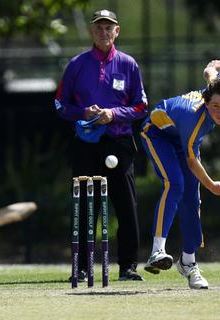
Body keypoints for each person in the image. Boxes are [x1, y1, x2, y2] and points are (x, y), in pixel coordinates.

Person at [55, 9, 148, 281]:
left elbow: (141, 106)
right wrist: (84, 112)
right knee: (86, 205)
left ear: (117, 31)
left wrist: (114, 114)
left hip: (119, 141)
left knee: (126, 205)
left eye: (109, 28)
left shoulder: (128, 64)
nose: (104, 32)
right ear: (92, 32)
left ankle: (128, 266)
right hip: (87, 141)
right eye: (99, 28)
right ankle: (82, 267)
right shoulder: (77, 65)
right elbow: (60, 104)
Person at [140, 59, 220, 289]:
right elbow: (192, 161)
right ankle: (157, 251)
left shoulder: (215, 89)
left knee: (192, 200)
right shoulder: (194, 120)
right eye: (216, 107)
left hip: (180, 139)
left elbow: (209, 73)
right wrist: (212, 184)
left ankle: (188, 262)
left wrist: (213, 67)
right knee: (174, 184)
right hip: (157, 134)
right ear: (206, 102)